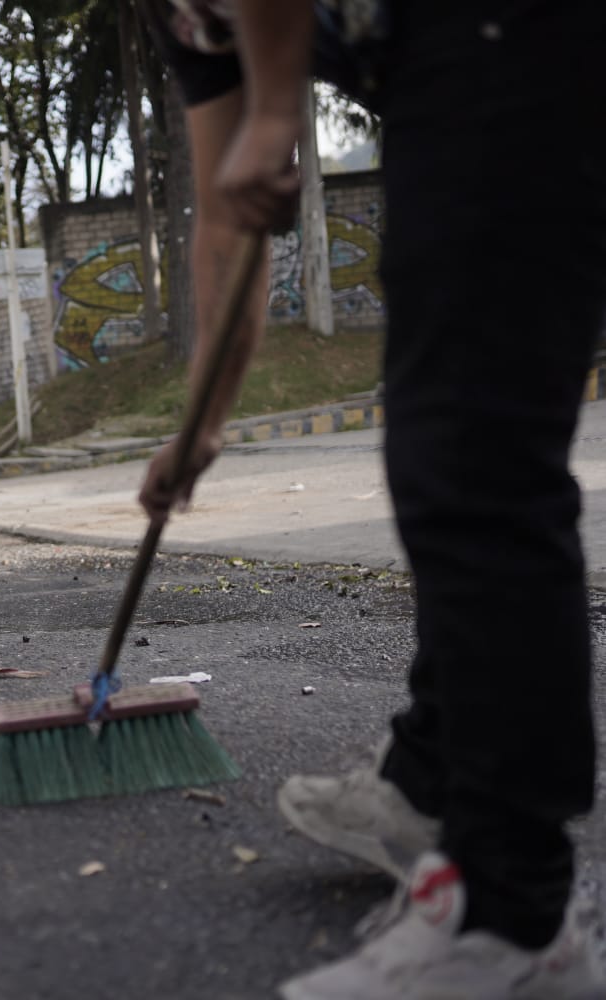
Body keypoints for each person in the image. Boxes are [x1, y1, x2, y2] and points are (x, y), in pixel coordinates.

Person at [140, 2, 605, 997]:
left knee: (475, 463)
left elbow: (264, 134)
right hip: (467, 62)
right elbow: (228, 216)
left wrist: (275, 111)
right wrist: (201, 425)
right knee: (464, 454)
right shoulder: (178, 20)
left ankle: (511, 918)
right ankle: (429, 789)